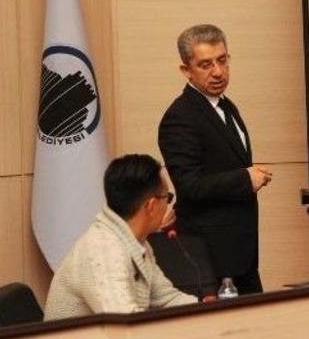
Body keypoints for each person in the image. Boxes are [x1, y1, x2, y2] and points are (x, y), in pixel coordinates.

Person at [158, 24, 272, 295]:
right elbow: (189, 186)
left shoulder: (225, 105)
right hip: (210, 258)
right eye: (205, 65)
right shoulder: (180, 118)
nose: (218, 72)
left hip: (240, 254)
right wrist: (244, 178)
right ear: (186, 70)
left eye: (222, 60)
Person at [44, 154, 197, 320]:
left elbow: (167, 299)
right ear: (151, 206)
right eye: (167, 198)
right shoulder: (103, 250)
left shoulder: (136, 241)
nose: (167, 206)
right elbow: (125, 326)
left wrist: (211, 309)